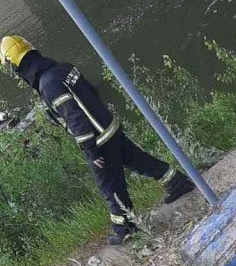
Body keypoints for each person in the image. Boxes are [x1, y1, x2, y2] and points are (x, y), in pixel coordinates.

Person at [0, 35, 194, 245]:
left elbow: (75, 118)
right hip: (109, 126)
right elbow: (91, 92)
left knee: (110, 187)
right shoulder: (63, 68)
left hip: (99, 141)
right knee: (138, 160)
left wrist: (91, 151)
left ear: (16, 66)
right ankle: (176, 182)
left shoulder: (48, 85)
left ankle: (125, 229)